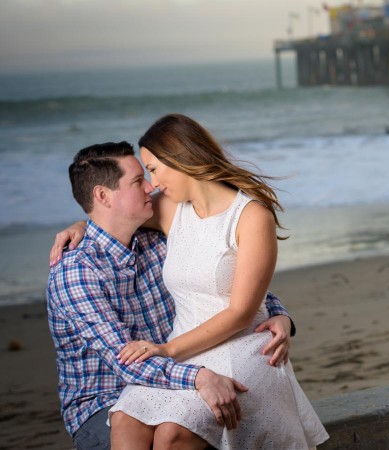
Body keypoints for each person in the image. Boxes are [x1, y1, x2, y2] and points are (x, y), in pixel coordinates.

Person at [75, 113, 327, 449]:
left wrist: (166, 350)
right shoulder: (170, 210)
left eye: (153, 169)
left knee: (171, 434)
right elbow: (113, 215)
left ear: (180, 158)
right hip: (186, 350)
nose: (152, 184)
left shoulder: (251, 216)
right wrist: (78, 229)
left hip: (242, 348)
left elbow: (240, 310)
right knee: (126, 419)